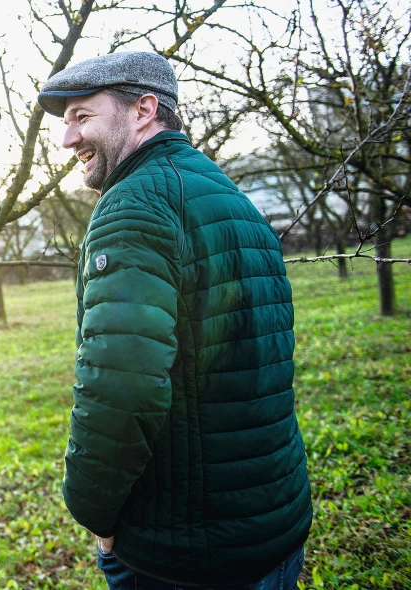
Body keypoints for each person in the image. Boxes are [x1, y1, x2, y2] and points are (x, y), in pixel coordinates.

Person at [36, 52, 313, 589]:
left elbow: (120, 389)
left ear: (143, 109)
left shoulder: (135, 206)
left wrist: (94, 511)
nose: (67, 139)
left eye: (82, 117)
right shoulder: (226, 194)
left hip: (185, 550)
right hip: (272, 523)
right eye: (66, 122)